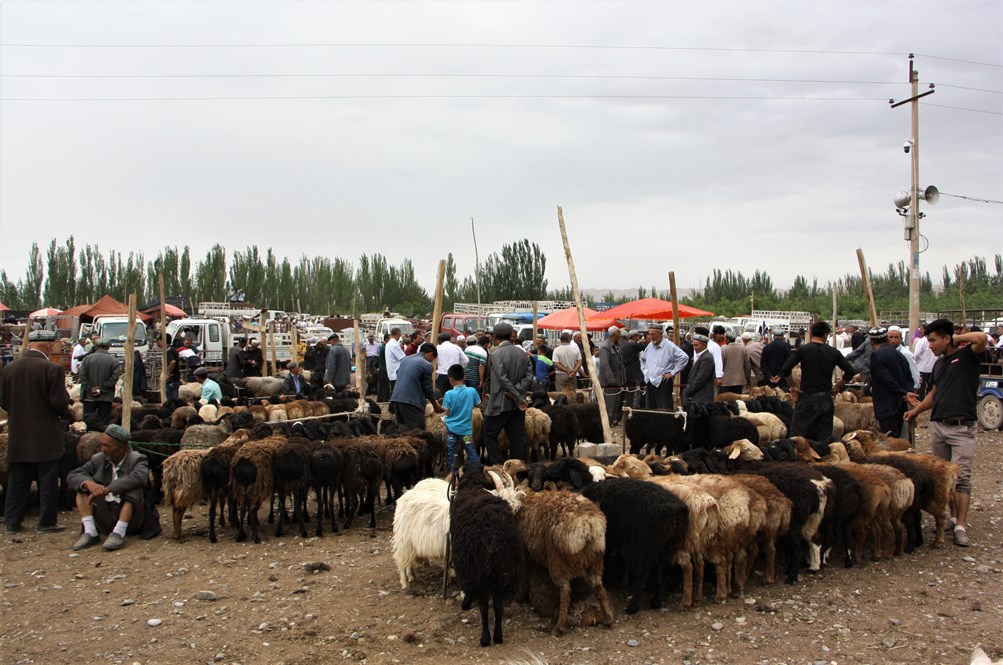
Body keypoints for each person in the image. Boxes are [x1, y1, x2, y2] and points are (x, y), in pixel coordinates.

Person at [904, 319, 988, 547]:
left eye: (932, 340)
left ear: (946, 338)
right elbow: (934, 393)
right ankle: (951, 518)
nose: (929, 345)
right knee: (944, 477)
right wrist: (916, 411)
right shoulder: (939, 364)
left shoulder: (968, 356)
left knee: (961, 477)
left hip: (962, 427)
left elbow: (982, 339)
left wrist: (957, 338)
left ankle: (961, 525)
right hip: (938, 425)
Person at [0, 339, 71, 534]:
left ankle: (12, 521)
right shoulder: (52, 369)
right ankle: (46, 522)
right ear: (48, 346)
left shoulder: (9, 369)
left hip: (19, 435)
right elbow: (59, 403)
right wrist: (66, 413)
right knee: (47, 480)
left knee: (17, 480)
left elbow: (4, 401)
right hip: (45, 435)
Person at [67, 424, 150, 551]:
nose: (102, 449)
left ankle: (119, 533)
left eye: (107, 446)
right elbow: (74, 474)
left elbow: (140, 477)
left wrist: (108, 489)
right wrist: (90, 484)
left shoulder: (137, 459)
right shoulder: (99, 459)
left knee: (134, 488)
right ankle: (90, 532)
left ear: (121, 449)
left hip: (131, 519)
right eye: (102, 445)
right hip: (105, 515)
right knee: (83, 486)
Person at [777, 321, 857, 442]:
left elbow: (786, 368)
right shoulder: (833, 352)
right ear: (826, 335)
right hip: (825, 399)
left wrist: (793, 386)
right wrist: (837, 387)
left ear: (810, 333)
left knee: (797, 438)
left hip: (807, 399)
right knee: (824, 438)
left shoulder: (803, 350)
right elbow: (850, 371)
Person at [481, 322, 535, 464]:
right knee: (517, 438)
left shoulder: (495, 354)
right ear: (511, 336)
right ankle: (517, 467)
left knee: (488, 434)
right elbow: (529, 376)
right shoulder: (523, 353)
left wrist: (514, 393)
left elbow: (502, 378)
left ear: (494, 337)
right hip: (517, 405)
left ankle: (498, 465)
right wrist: (517, 392)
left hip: (499, 403)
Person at [866, 327, 913, 437]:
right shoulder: (899, 354)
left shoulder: (876, 355)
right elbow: (908, 376)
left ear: (871, 342)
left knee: (890, 439)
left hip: (887, 406)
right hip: (900, 405)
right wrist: (906, 393)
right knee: (898, 435)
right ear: (886, 339)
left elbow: (885, 378)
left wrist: (902, 392)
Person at [389, 342, 442, 430]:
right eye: (432, 359)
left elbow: (398, 374)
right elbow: (428, 389)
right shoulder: (426, 365)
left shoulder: (405, 360)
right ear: (430, 354)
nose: (431, 361)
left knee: (402, 429)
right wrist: (435, 405)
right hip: (410, 402)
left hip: (396, 399)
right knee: (417, 432)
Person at [639, 325, 689, 410]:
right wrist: (645, 372)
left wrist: (672, 373)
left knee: (664, 409)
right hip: (650, 382)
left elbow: (684, 358)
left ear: (661, 334)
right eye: (649, 334)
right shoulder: (650, 346)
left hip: (663, 382)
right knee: (650, 410)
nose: (651, 337)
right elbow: (643, 359)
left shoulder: (669, 346)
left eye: (653, 334)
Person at [442, 363, 481, 471]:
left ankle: (453, 475)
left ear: (450, 379)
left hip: (452, 430)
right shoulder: (472, 391)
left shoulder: (448, 394)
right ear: (464, 377)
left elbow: (447, 412)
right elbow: (478, 404)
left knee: (451, 452)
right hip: (466, 431)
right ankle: (476, 471)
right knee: (471, 450)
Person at [79, 338, 122, 428]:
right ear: (108, 347)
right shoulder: (114, 361)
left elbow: (82, 376)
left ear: (95, 347)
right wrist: (101, 389)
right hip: (105, 397)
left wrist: (90, 388)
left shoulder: (87, 359)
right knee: (103, 423)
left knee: (88, 421)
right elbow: (114, 378)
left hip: (89, 396)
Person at [598, 326, 626, 425]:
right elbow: (605, 366)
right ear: (614, 335)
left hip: (618, 381)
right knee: (610, 403)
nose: (621, 335)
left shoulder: (617, 346)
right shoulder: (605, 347)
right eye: (619, 333)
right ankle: (608, 421)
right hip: (610, 383)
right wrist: (611, 381)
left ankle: (614, 420)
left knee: (617, 402)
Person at [682, 333, 717, 408]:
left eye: (696, 345)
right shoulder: (702, 356)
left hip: (702, 398)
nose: (694, 348)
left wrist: (688, 391)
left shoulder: (706, 358)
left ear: (704, 345)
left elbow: (700, 379)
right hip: (698, 396)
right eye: (693, 345)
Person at [435, 332, 468, 398]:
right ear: (450, 339)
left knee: (443, 397)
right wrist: (458, 367)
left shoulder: (437, 348)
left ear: (440, 340)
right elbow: (466, 360)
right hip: (455, 375)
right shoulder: (456, 348)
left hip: (442, 375)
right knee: (456, 395)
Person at [620, 330, 646, 409]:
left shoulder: (621, 345)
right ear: (634, 336)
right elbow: (644, 346)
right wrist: (642, 341)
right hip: (632, 374)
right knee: (631, 395)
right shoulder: (632, 344)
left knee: (625, 395)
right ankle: (630, 411)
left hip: (624, 373)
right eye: (638, 336)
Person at [912, 329, 936, 399]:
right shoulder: (932, 340)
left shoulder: (922, 341)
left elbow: (916, 354)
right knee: (931, 387)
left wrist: (916, 362)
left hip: (922, 368)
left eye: (921, 329)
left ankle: (921, 401)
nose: (920, 331)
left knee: (922, 387)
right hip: (930, 368)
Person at [164, 336, 181, 402]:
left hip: (171, 380)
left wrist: (167, 374)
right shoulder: (173, 349)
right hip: (175, 379)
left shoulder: (168, 350)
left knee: (170, 401)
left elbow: (173, 362)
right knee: (174, 400)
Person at [376, 333, 392, 402]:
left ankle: (382, 398)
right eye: (390, 338)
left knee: (382, 384)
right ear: (386, 339)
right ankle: (384, 399)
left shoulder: (383, 346)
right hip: (384, 369)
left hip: (383, 368)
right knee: (384, 385)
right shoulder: (385, 347)